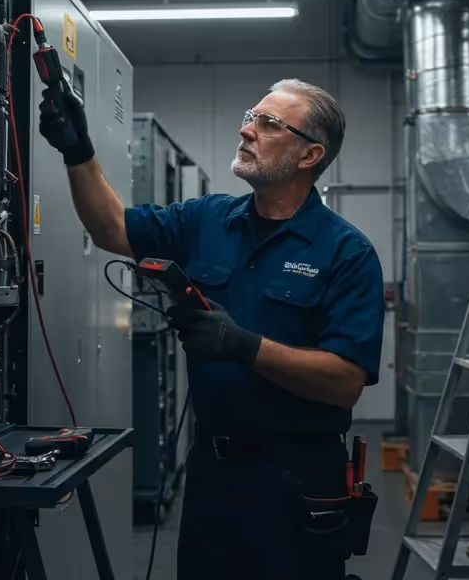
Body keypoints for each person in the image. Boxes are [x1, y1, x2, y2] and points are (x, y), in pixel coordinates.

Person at [38, 78, 384, 580]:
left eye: (269, 124)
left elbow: (346, 381)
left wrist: (242, 346)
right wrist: (78, 150)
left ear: (310, 154)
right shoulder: (206, 220)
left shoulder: (346, 253)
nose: (247, 130)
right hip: (214, 475)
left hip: (298, 481)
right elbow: (110, 228)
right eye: (251, 116)